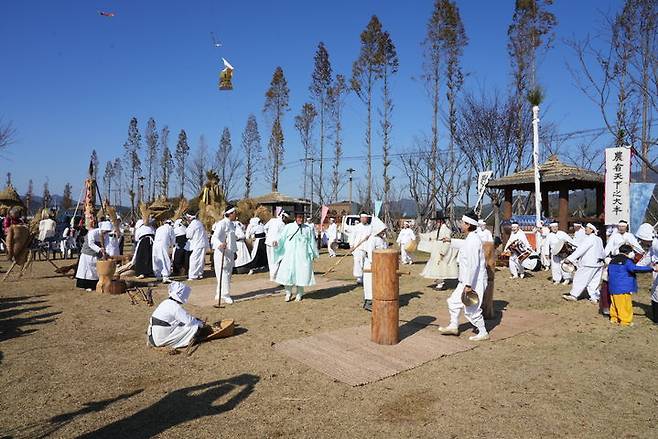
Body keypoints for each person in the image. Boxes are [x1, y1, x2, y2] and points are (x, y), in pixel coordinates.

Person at [438, 211, 489, 341]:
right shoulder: (471, 238)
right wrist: (450, 240)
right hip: (466, 281)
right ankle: (453, 326)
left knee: (471, 309)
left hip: (473, 281)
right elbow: (464, 245)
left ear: (468, 225)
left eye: (462, 222)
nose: (460, 224)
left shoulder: (473, 241)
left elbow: (473, 265)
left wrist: (468, 285)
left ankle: (483, 332)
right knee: (453, 302)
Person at [274, 210, 319, 302]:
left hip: (302, 255)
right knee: (288, 273)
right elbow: (281, 238)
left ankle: (299, 293)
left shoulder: (308, 229)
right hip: (290, 254)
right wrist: (276, 243)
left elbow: (312, 242)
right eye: (299, 217)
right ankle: (288, 293)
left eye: (302, 218)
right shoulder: (288, 227)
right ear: (295, 218)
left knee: (301, 274)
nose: (300, 219)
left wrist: (313, 253)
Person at [607, 244, 655, 326]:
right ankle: (625, 321)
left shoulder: (612, 260)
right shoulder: (626, 261)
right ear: (629, 252)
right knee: (625, 305)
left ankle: (614, 318)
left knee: (614, 304)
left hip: (613, 286)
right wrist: (651, 268)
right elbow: (635, 268)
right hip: (623, 287)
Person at [147, 281, 204, 349]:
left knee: (183, 324)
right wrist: (200, 324)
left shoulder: (165, 302)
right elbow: (189, 321)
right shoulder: (175, 306)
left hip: (153, 336)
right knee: (193, 327)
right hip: (159, 339)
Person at [562, 223, 605, 302]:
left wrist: (570, 259)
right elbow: (603, 251)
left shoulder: (590, 239)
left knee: (579, 278)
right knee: (594, 281)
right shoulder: (599, 239)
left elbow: (581, 249)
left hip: (588, 263)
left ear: (591, 230)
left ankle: (574, 295)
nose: (585, 229)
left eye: (587, 228)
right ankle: (594, 297)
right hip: (598, 263)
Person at [421, 211, 458, 290]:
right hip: (436, 250)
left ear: (440, 221)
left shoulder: (446, 230)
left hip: (441, 250)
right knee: (436, 266)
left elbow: (447, 242)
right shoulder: (439, 229)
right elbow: (432, 235)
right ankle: (439, 281)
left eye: (437, 221)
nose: (436, 223)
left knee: (441, 267)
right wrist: (423, 236)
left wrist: (443, 252)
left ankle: (441, 283)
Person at [211, 206, 237, 305]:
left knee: (228, 274)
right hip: (221, 252)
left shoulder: (232, 224)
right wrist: (220, 244)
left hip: (229, 252)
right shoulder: (222, 223)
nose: (236, 214)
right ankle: (225, 295)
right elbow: (215, 237)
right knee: (223, 273)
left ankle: (219, 292)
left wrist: (235, 251)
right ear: (230, 213)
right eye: (234, 212)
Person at [75, 221, 112, 291]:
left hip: (96, 254)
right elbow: (91, 243)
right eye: (105, 231)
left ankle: (93, 284)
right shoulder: (93, 232)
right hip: (87, 253)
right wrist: (99, 249)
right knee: (86, 270)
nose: (106, 233)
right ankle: (85, 285)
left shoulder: (106, 235)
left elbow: (107, 243)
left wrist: (106, 252)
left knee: (94, 270)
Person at [362, 216, 388, 311]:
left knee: (378, 283)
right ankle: (368, 302)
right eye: (382, 230)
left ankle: (377, 300)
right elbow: (370, 252)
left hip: (381, 264)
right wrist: (374, 263)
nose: (384, 232)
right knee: (370, 283)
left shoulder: (383, 239)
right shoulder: (372, 239)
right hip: (371, 264)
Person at [264, 210, 288, 281]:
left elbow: (265, 227)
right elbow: (282, 236)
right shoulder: (282, 224)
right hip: (275, 243)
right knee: (276, 260)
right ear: (283, 216)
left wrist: (268, 235)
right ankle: (273, 276)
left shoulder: (272, 220)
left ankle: (272, 276)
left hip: (268, 242)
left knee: (271, 260)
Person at [350, 212, 372, 284]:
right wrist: (351, 245)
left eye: (365, 218)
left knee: (366, 263)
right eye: (362, 218)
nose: (363, 219)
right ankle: (359, 278)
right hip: (358, 247)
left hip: (367, 247)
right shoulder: (357, 227)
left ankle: (366, 277)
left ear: (367, 218)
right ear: (360, 219)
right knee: (358, 262)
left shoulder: (370, 227)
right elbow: (352, 236)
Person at [186, 211, 208, 280]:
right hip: (202, 244)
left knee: (194, 259)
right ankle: (199, 274)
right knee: (200, 260)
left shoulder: (193, 224)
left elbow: (188, 235)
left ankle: (193, 275)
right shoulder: (199, 223)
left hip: (197, 244)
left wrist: (186, 228)